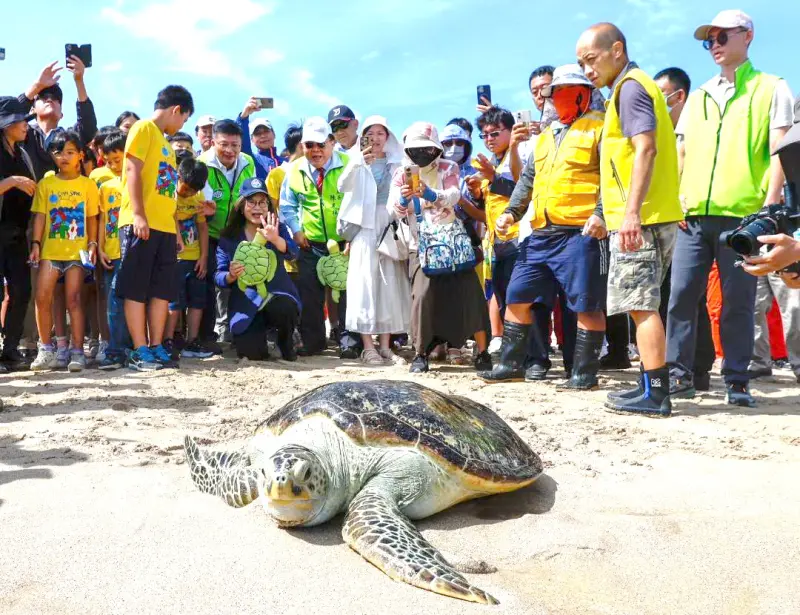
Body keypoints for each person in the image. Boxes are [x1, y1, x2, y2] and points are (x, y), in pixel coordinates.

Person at [668, 10, 794, 407]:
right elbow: (681, 150)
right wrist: (677, 199)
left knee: (739, 303)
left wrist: (770, 205)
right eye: (710, 40)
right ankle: (678, 375)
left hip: (744, 216)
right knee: (681, 296)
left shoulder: (773, 87)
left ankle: (737, 380)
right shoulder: (699, 95)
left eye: (723, 36)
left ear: (748, 36)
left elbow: (780, 151)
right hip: (693, 217)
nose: (716, 45)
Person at [577, 23, 684, 417]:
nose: (588, 70)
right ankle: (648, 386)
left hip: (644, 216)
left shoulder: (630, 87)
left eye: (591, 59)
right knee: (644, 303)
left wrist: (632, 213)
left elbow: (646, 149)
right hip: (650, 213)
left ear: (616, 50)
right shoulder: (633, 87)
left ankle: (655, 393)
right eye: (581, 63)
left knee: (641, 305)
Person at [479, 64, 608, 390]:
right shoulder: (546, 137)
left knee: (585, 302)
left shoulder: (601, 128)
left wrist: (602, 213)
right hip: (541, 232)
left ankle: (583, 373)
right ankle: (510, 364)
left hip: (580, 231)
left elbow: (613, 176)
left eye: (567, 93)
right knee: (518, 294)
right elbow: (527, 180)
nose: (560, 99)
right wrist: (512, 212)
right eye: (555, 94)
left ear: (584, 94)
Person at [388, 121, 492, 373]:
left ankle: (483, 351)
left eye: (427, 148)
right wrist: (405, 196)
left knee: (471, 295)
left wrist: (429, 195)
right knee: (422, 297)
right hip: (420, 244)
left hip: (451, 241)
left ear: (436, 149)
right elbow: (394, 210)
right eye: (416, 148)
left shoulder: (449, 167)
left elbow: (454, 195)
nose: (422, 153)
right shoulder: (401, 173)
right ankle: (420, 353)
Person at [115, 85, 194, 371]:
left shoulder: (167, 145)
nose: (182, 125)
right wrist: (138, 214)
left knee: (162, 290)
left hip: (164, 228)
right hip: (140, 224)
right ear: (177, 110)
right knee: (136, 288)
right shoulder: (143, 129)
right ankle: (139, 349)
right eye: (184, 119)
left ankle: (157, 345)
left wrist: (175, 230)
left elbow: (167, 192)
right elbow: (132, 170)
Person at [653, 66, 716, 393]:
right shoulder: (659, 134)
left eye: (660, 94)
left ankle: (696, 368)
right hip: (664, 223)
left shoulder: (698, 129)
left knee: (688, 297)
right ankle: (685, 368)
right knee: (676, 298)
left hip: (690, 222)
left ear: (678, 96)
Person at [279, 117, 361, 359]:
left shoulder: (349, 164)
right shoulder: (293, 170)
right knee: (310, 294)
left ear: (332, 142)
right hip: (309, 243)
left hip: (344, 243)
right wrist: (296, 230)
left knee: (347, 294)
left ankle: (349, 342)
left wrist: (353, 237)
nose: (315, 151)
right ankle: (313, 342)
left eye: (321, 144)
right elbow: (287, 205)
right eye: (309, 145)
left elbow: (360, 202)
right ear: (302, 146)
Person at [337, 115, 410, 366]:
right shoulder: (356, 161)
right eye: (371, 133)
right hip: (364, 227)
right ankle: (368, 347)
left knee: (388, 285)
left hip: (388, 226)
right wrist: (359, 161)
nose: (376, 138)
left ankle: (386, 346)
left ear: (388, 136)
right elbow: (341, 185)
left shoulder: (396, 163)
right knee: (365, 284)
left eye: (381, 133)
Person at [29, 131, 99, 372]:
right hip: (50, 252)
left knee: (75, 299)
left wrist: (92, 244)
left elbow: (92, 218)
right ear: (52, 156)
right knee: (41, 296)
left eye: (70, 152)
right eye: (59, 152)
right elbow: (40, 215)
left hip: (77, 254)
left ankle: (77, 351)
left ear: (80, 155)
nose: (64, 157)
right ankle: (47, 349)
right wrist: (36, 244)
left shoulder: (88, 185)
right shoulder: (46, 184)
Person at [217, 178, 300, 361]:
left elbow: (294, 254)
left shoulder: (278, 228)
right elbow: (218, 275)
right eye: (251, 202)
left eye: (262, 202)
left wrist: (276, 239)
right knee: (253, 353)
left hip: (277, 294)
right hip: (246, 303)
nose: (257, 207)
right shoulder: (229, 237)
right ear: (241, 205)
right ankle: (261, 339)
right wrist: (230, 275)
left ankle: (285, 339)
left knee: (284, 308)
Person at [198, 119, 256, 348]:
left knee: (239, 279)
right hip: (210, 233)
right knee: (212, 283)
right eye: (224, 144)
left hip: (237, 235)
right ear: (213, 142)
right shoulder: (202, 163)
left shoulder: (248, 162)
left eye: (235, 145)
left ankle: (235, 329)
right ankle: (211, 334)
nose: (230, 150)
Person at [0, 97, 38, 372]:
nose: (26, 124)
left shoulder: (22, 153)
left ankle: (10, 349)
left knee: (22, 291)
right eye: (21, 120)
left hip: (16, 234)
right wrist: (11, 182)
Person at [165, 153, 213, 360]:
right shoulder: (168, 194)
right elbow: (170, 217)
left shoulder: (198, 198)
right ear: (179, 176)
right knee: (174, 302)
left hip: (195, 258)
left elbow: (202, 227)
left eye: (194, 190)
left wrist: (203, 257)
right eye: (186, 187)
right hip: (175, 259)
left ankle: (192, 341)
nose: (188, 193)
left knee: (197, 301)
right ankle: (167, 340)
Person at [18, 58, 97, 179]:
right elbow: (8, 116)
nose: (49, 100)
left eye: (56, 99)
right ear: (32, 110)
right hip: (25, 196)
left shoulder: (70, 137)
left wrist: (79, 81)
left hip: (66, 197)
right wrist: (37, 86)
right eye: (43, 97)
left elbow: (88, 127)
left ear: (61, 114)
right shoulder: (21, 132)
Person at [237, 98, 285, 180]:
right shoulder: (252, 159)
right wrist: (243, 117)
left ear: (274, 134)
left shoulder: (288, 162)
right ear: (251, 140)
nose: (263, 136)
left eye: (266, 131)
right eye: (257, 134)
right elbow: (241, 141)